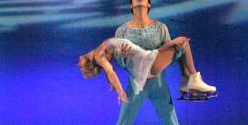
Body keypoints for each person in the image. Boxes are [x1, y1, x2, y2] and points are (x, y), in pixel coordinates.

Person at [88, 0, 206, 125]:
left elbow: (171, 54)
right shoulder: (122, 31)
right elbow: (117, 61)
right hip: (136, 84)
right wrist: (124, 60)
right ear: (131, 5)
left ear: (149, 4)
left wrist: (165, 62)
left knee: (172, 124)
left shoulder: (161, 28)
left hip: (158, 83)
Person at [78, 36, 216, 105]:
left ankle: (187, 83)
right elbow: (111, 72)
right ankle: (194, 80)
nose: (79, 61)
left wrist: (168, 45)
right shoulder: (99, 56)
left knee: (179, 48)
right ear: (88, 65)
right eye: (80, 64)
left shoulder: (98, 52)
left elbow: (140, 54)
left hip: (147, 60)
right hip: (148, 63)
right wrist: (120, 92)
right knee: (183, 42)